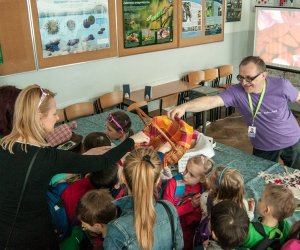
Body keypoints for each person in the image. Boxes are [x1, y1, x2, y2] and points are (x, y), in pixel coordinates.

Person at [0, 84, 149, 250]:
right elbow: (103, 161)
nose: (57, 118)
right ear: (39, 118)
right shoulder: (47, 157)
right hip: (31, 236)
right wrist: (132, 140)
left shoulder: (5, 143)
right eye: (54, 113)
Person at [168, 56, 300, 169]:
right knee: (261, 177)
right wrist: (184, 107)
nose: (244, 83)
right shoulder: (236, 92)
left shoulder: (281, 85)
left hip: (292, 140)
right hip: (264, 145)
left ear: (263, 75)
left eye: (249, 78)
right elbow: (211, 101)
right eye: (241, 77)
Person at [104, 148, 184, 250]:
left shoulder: (115, 229)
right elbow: (179, 245)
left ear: (123, 177)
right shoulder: (169, 208)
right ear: (158, 180)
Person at [163, 154, 214, 250]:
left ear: (202, 178)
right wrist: (191, 205)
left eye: (192, 175)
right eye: (186, 169)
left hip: (192, 236)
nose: (185, 176)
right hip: (172, 233)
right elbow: (166, 213)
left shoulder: (204, 189)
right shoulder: (173, 184)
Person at [242, 183, 297, 249]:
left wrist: (248, 215)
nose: (258, 200)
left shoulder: (249, 232)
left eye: (260, 200)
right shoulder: (286, 226)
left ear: (266, 210)